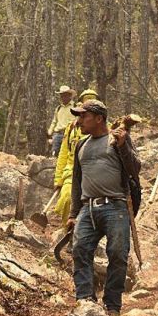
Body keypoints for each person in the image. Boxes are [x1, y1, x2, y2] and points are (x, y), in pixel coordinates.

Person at [66, 99, 140, 316]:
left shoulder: (117, 139)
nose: (79, 122)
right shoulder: (81, 144)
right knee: (80, 250)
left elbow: (135, 168)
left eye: (83, 116)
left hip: (115, 207)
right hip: (87, 208)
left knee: (117, 254)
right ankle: (85, 299)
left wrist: (123, 145)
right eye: (78, 116)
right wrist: (73, 213)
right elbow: (76, 181)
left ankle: (113, 305)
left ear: (99, 119)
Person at [53, 89, 100, 226]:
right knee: (67, 198)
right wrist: (58, 178)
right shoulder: (72, 128)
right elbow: (64, 153)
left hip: (94, 174)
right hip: (71, 172)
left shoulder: (104, 127)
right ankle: (68, 231)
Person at [48, 85, 76, 157]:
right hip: (58, 134)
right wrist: (49, 133)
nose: (63, 97)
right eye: (62, 96)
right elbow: (54, 121)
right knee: (55, 153)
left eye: (65, 95)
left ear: (70, 95)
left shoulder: (75, 107)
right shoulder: (58, 108)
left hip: (70, 134)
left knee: (69, 154)